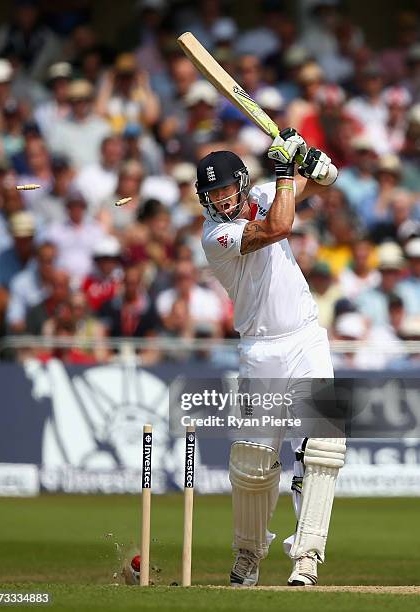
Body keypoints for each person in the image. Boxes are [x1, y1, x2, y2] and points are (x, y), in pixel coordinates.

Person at [196, 129, 345, 587]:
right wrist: (285, 169)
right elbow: (279, 227)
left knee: (325, 444)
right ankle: (248, 554)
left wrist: (313, 163)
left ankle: (308, 555)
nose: (221, 202)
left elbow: (321, 183)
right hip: (260, 349)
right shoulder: (216, 236)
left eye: (225, 191)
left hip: (306, 337)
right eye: (212, 195)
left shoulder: (265, 192)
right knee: (255, 461)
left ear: (241, 183)